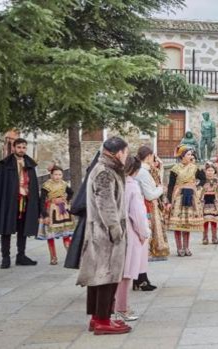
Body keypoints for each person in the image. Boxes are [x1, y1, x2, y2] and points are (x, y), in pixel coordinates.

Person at [76, 136, 131, 335]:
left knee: (100, 276)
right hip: (105, 234)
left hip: (101, 233)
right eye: (125, 152)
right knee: (106, 277)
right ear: (117, 153)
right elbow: (106, 205)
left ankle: (98, 317)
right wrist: (116, 231)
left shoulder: (108, 169)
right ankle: (102, 319)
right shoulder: (105, 172)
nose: (127, 155)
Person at [0, 138, 40, 269]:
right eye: (19, 147)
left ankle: (21, 256)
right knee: (6, 229)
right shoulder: (4, 164)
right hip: (9, 202)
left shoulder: (30, 164)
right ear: (13, 148)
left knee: (23, 229)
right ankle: (6, 257)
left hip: (25, 201)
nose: (21, 150)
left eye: (24, 147)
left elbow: (34, 185)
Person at [114, 156, 150, 322]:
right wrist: (144, 233)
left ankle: (113, 305)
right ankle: (122, 307)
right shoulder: (132, 186)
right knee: (126, 272)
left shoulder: (114, 182)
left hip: (113, 229)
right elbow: (138, 214)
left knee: (116, 271)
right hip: (129, 230)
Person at [167, 145, 206, 256]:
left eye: (191, 154)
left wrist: (196, 185)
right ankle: (179, 248)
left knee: (187, 223)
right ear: (182, 156)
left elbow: (203, 179)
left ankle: (186, 247)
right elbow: (170, 185)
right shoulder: (175, 169)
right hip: (178, 197)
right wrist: (169, 201)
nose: (190, 156)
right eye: (188, 154)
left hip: (190, 196)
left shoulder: (194, 168)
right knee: (177, 223)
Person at [134, 146, 164, 290]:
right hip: (144, 209)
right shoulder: (143, 173)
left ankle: (140, 277)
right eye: (153, 157)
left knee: (142, 245)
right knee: (143, 244)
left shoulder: (141, 171)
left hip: (142, 208)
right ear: (149, 156)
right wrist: (160, 188)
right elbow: (150, 195)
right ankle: (141, 278)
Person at [37, 165, 74, 265]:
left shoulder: (64, 184)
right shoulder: (46, 185)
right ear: (51, 175)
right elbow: (41, 201)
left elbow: (71, 192)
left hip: (63, 211)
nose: (58, 176)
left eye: (60, 174)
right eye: (56, 174)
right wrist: (45, 215)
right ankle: (53, 257)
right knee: (50, 235)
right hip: (51, 210)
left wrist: (66, 200)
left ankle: (71, 257)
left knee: (66, 234)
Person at [201, 161, 218, 245]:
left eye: (212, 170)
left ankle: (214, 237)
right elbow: (199, 191)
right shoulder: (202, 181)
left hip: (214, 202)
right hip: (204, 202)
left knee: (214, 220)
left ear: (214, 172)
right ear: (205, 171)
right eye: (208, 170)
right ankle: (205, 237)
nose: (210, 172)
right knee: (205, 221)